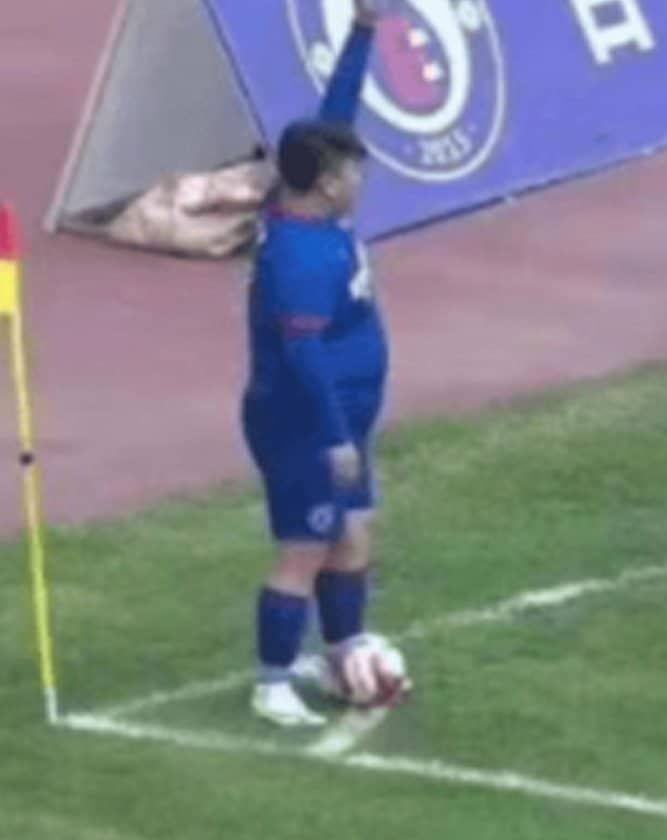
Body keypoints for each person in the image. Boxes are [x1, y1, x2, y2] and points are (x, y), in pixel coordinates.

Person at [243, 0, 390, 727]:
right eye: (352, 171)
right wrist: (335, 437)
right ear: (328, 182)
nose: (361, 178)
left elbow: (336, 116)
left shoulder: (310, 207)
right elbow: (303, 354)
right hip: (306, 421)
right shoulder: (298, 258)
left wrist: (363, 30)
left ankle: (343, 650)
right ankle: (272, 684)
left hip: (342, 414)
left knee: (352, 535)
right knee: (305, 548)